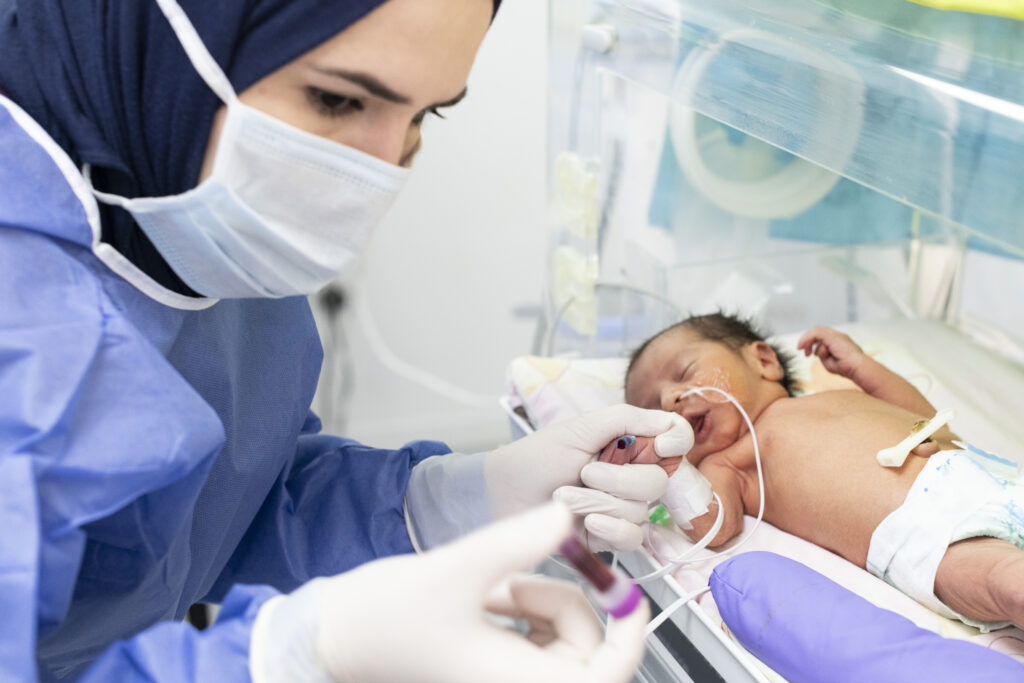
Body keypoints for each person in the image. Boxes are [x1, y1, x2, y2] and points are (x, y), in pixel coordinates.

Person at [0, 1, 698, 680]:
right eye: (336, 101)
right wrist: (294, 654)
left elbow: (214, 509)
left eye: (426, 115)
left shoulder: (183, 222)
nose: (382, 170)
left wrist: (453, 500)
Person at [621, 312, 1024, 632]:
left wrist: (862, 368)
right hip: (921, 535)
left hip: (981, 472)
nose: (670, 399)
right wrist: (671, 468)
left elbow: (923, 417)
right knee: (1009, 583)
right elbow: (713, 526)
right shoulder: (727, 463)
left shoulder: (836, 395)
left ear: (763, 361)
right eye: (653, 410)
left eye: (686, 371)